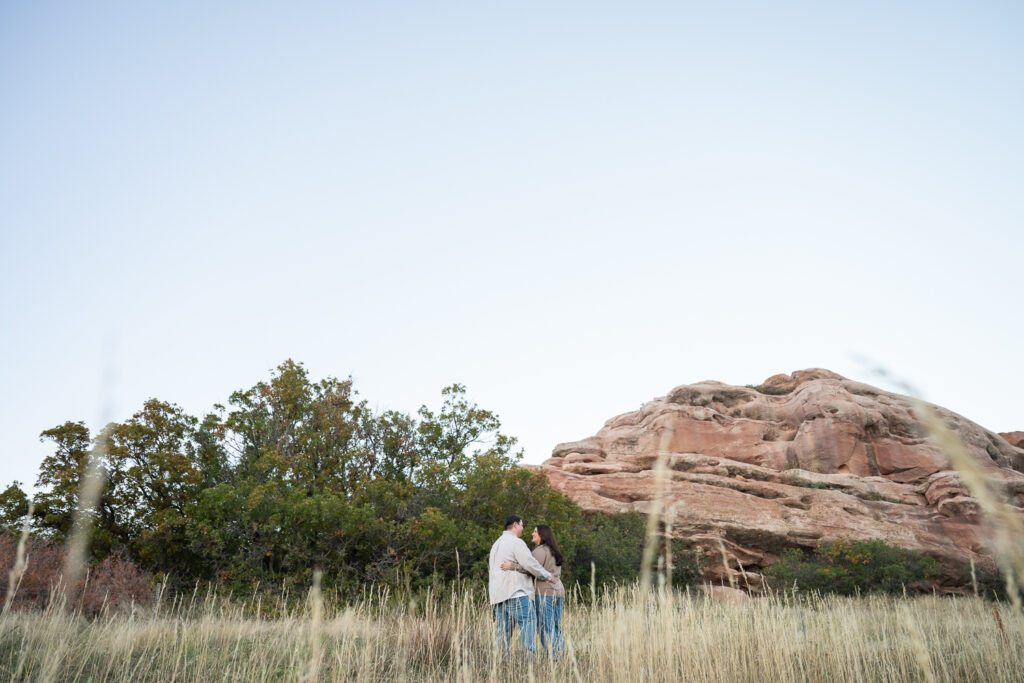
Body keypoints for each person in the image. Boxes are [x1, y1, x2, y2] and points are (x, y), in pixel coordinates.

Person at [488, 514, 553, 654]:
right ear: (515, 525)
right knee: (529, 622)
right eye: (522, 525)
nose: (523, 528)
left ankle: (500, 662)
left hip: (498, 596)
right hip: (515, 592)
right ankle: (530, 662)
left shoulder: (496, 544)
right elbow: (530, 564)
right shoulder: (516, 542)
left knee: (502, 634)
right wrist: (547, 576)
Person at [501, 524, 565, 657]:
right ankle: (561, 656)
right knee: (556, 627)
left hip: (545, 593)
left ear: (542, 535)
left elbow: (531, 568)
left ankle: (554, 658)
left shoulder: (540, 550)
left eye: (535, 531)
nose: (532, 533)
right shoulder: (554, 550)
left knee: (545, 627)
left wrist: (512, 566)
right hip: (559, 592)